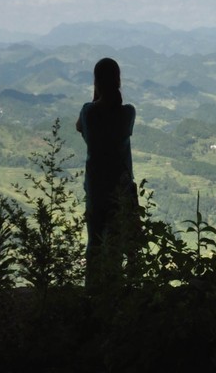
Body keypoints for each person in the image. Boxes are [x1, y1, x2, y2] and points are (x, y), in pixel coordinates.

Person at [76, 57, 137, 286]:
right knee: (117, 243)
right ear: (118, 81)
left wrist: (96, 97)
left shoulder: (88, 112)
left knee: (95, 243)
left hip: (96, 188)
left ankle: (92, 292)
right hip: (120, 187)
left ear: (96, 82)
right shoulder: (127, 113)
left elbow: (78, 126)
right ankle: (116, 291)